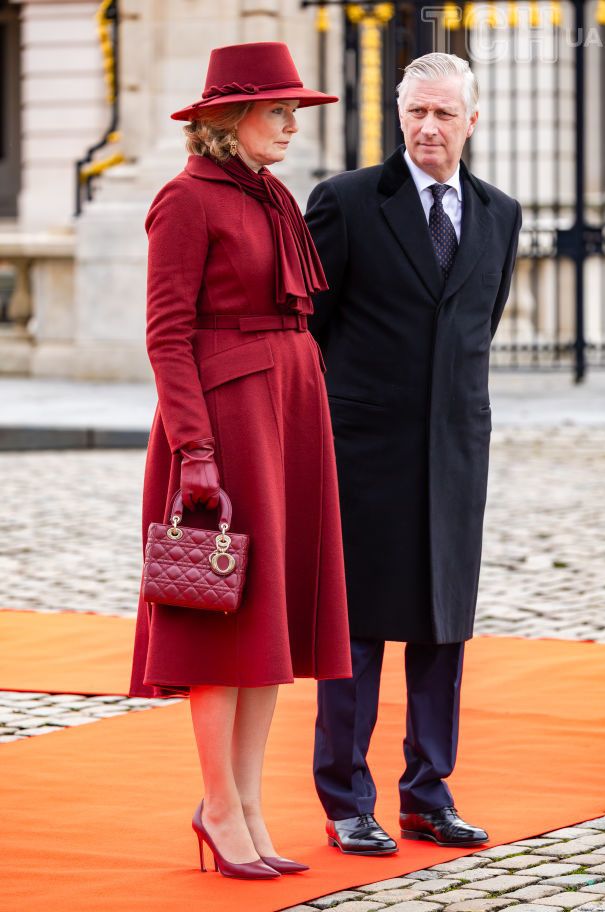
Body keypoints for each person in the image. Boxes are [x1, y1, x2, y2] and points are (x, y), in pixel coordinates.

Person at [129, 41, 352, 880]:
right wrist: (194, 451)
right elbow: (165, 335)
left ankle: (248, 803)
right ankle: (218, 803)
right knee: (221, 617)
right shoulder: (184, 200)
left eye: (295, 108)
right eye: (278, 108)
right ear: (229, 118)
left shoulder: (271, 195)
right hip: (226, 426)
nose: (293, 121)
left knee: (271, 622)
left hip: (289, 416)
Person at [306, 52, 522, 856]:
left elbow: (479, 322)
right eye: (416, 113)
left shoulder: (501, 213)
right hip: (362, 453)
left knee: (442, 630)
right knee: (356, 636)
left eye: (443, 114)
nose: (428, 128)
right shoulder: (349, 202)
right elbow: (311, 330)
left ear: (472, 119)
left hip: (457, 452)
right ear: (398, 117)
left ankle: (427, 794)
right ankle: (345, 799)